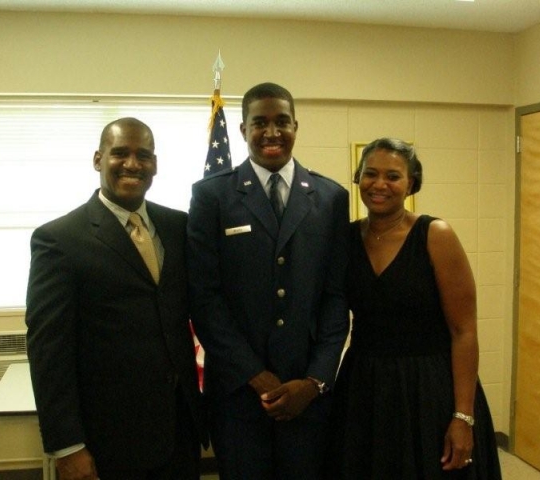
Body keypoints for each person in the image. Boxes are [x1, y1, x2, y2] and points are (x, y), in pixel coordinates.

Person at [26, 117, 207, 480]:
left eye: (144, 155)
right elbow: (49, 351)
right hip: (109, 441)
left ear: (155, 163)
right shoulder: (59, 240)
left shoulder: (178, 226)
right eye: (120, 153)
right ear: (98, 159)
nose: (133, 164)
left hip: (179, 430)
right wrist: (67, 446)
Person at [186, 82, 350, 480]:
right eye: (260, 122)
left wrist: (314, 380)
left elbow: (336, 296)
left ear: (296, 126)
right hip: (239, 395)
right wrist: (255, 376)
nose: (272, 132)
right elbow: (204, 298)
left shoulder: (330, 197)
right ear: (243, 130)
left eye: (282, 122)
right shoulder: (212, 196)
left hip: (307, 393)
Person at [326, 138, 502, 479]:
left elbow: (464, 331)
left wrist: (463, 417)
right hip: (364, 388)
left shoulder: (435, 235)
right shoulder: (345, 238)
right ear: (357, 178)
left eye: (393, 176)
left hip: (429, 390)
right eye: (370, 174)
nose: (379, 184)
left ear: (411, 183)